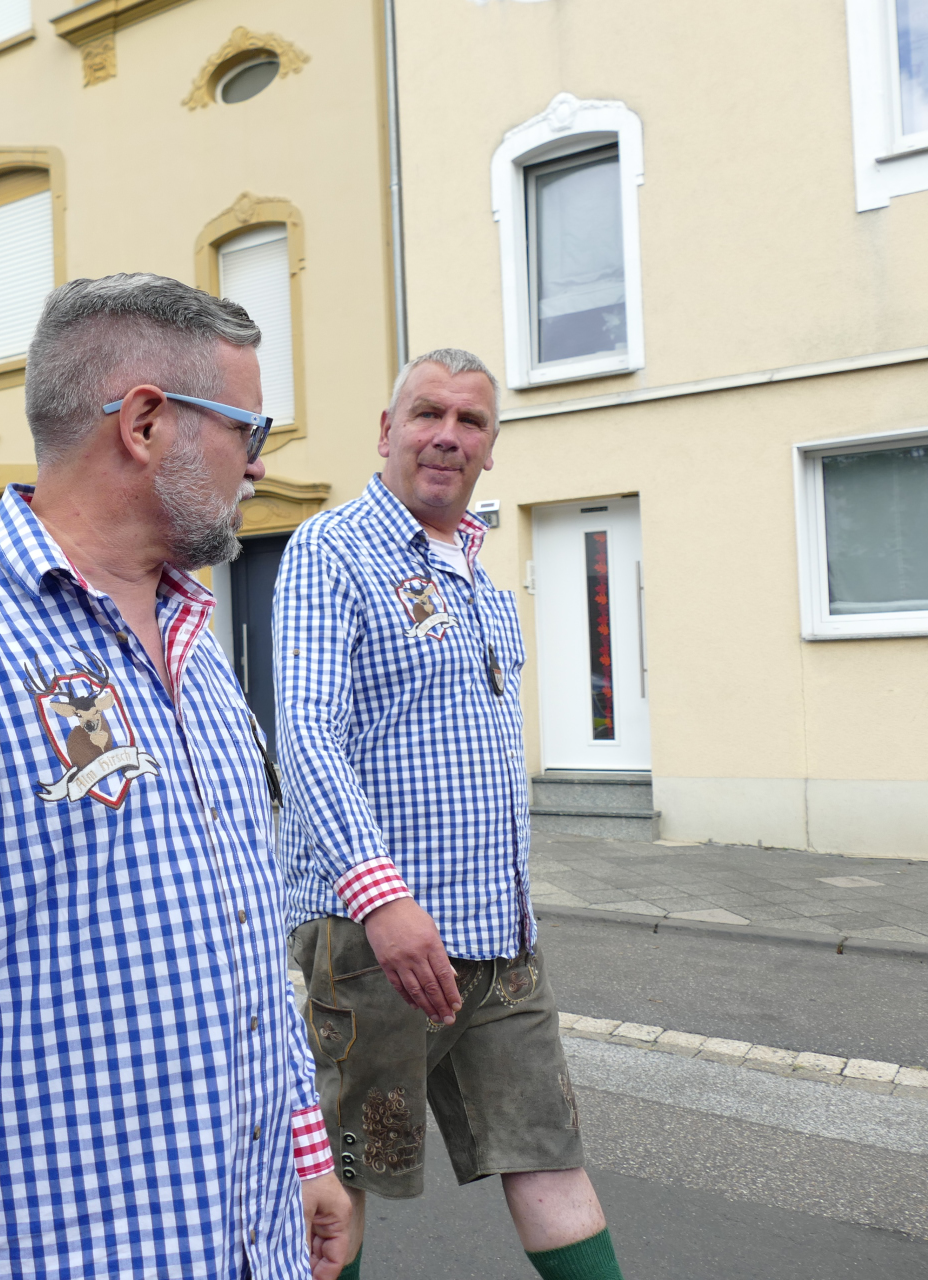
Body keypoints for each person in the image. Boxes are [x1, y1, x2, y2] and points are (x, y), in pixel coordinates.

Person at [0, 273, 353, 1279]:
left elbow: (247, 943)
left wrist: (304, 1152)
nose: (260, 462)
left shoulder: (197, 645)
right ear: (144, 423)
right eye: (246, 428)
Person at [274, 349, 625, 1280]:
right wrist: (383, 898)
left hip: (501, 944)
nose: (447, 435)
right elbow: (306, 733)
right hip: (372, 940)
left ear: (491, 449)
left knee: (548, 1152)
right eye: (427, 413)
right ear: (386, 431)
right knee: (343, 1179)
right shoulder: (331, 550)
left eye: (471, 421)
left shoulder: (479, 575)